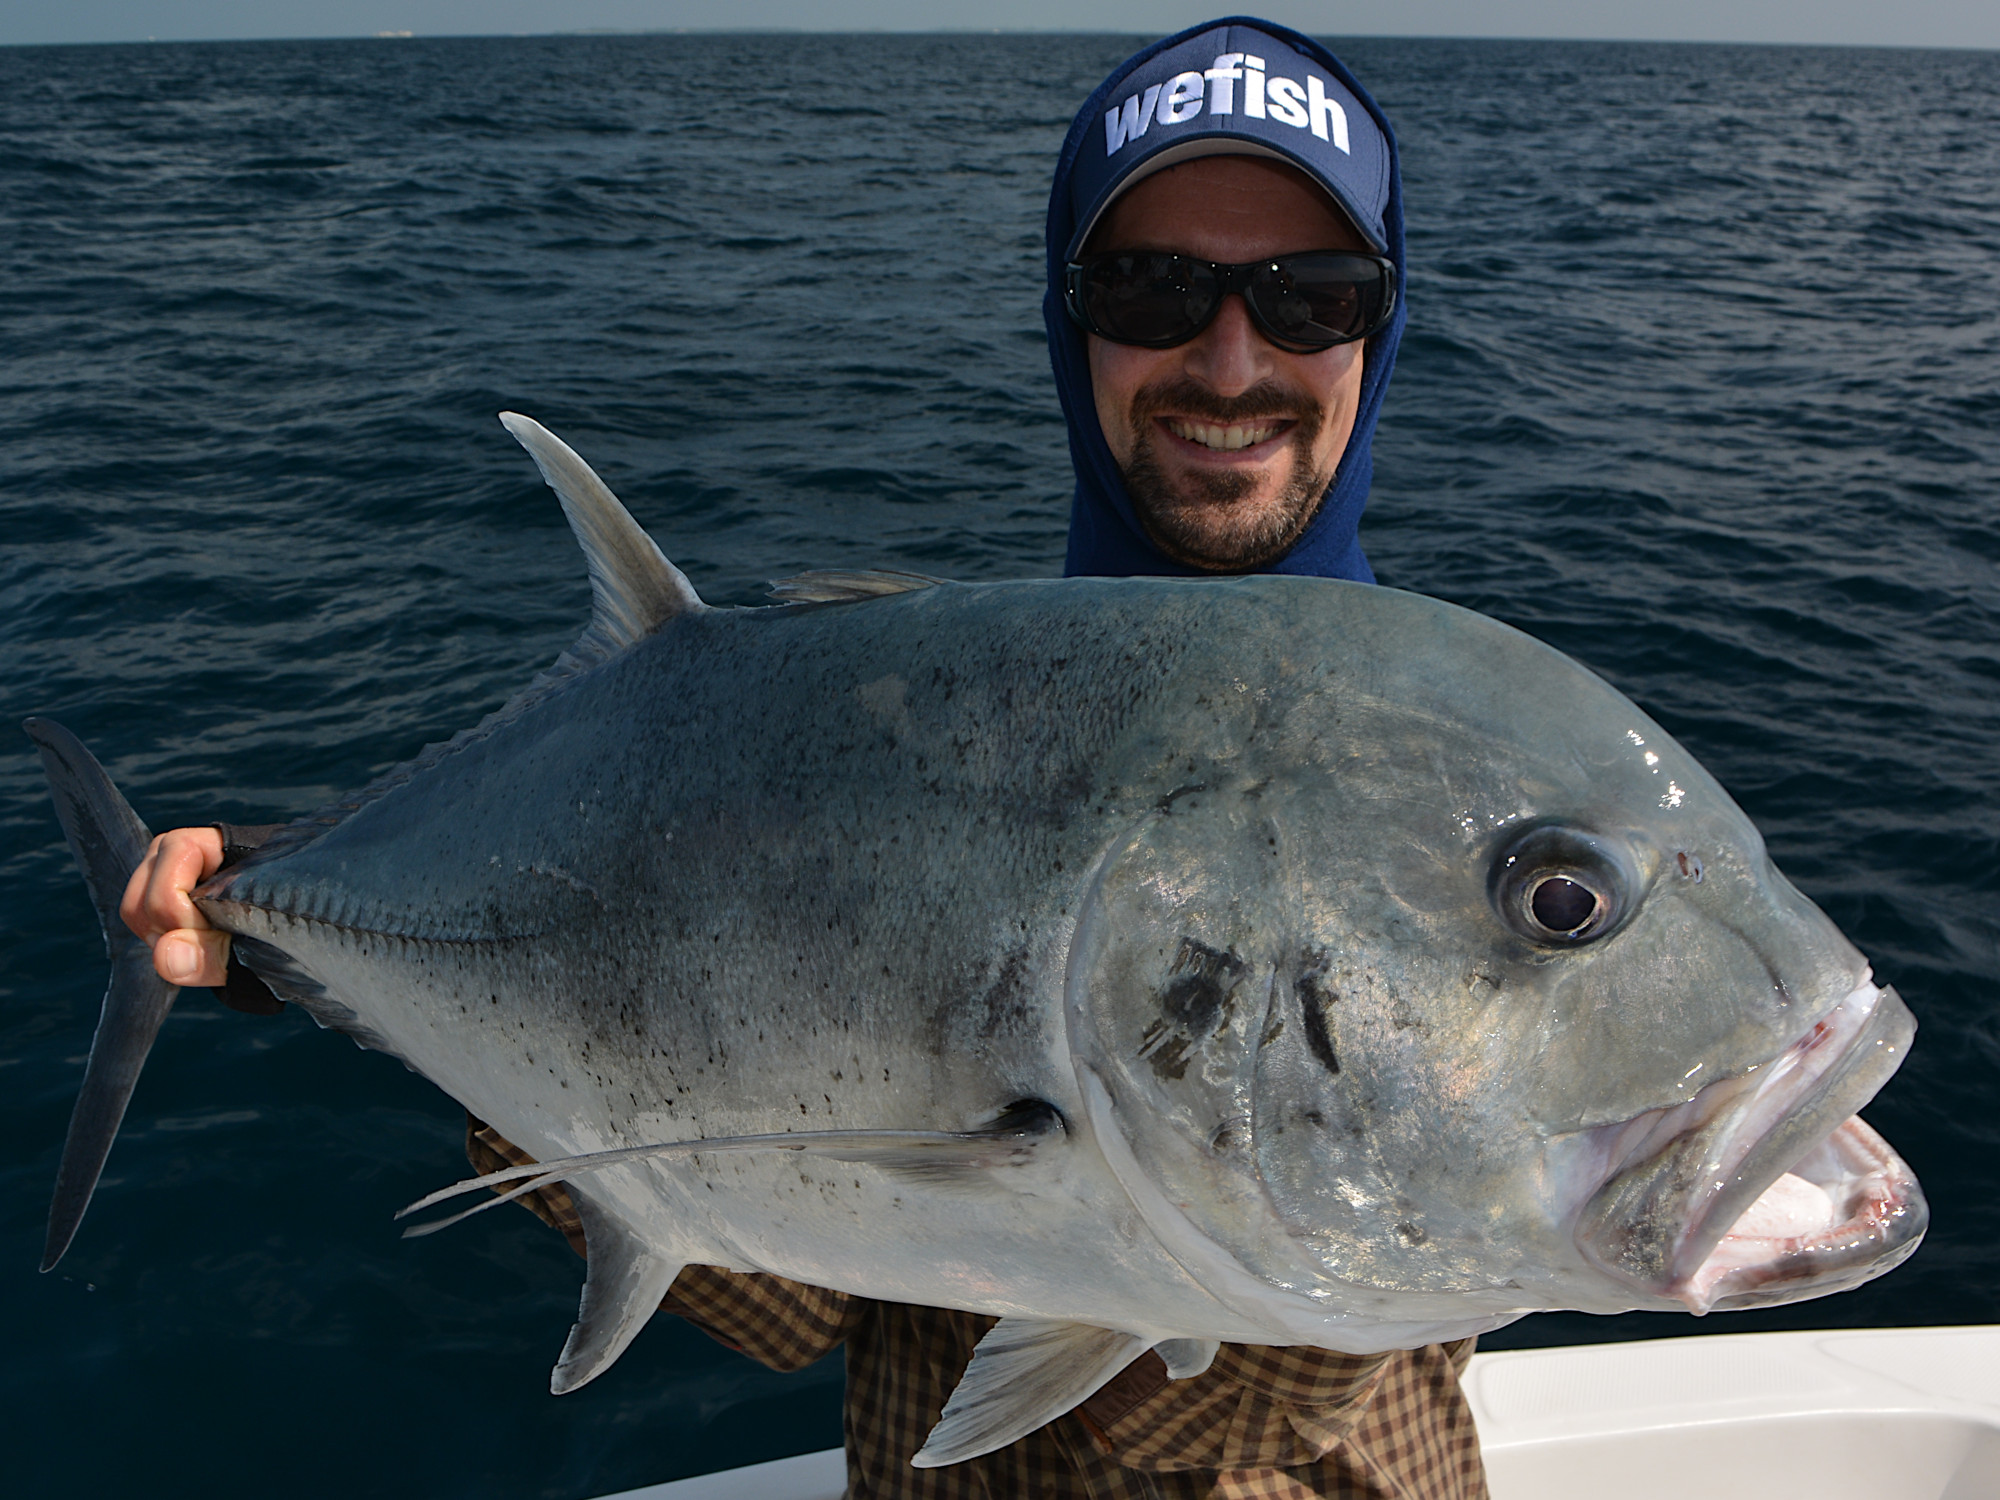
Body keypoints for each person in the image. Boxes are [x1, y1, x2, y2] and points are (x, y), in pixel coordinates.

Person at [119, 18, 1484, 1499]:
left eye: (1314, 295)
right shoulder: (911, 739)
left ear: (1383, 324)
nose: (1232, 357)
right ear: (1069, 318)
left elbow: (1223, 1422)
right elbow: (784, 1299)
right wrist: (313, 936)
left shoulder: (1467, 792)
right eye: (1149, 284)